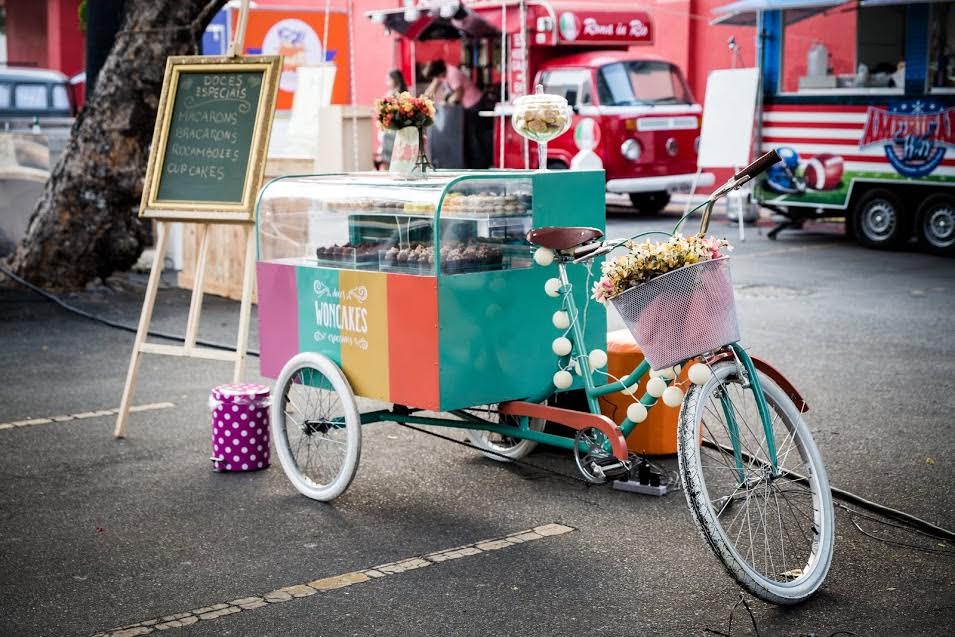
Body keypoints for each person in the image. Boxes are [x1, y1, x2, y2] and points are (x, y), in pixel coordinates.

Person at [423, 59, 491, 168]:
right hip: (466, 107)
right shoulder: (442, 74)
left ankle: (480, 164)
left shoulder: (452, 73)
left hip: (473, 105)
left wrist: (446, 101)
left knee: (474, 137)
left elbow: (458, 94)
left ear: (439, 72)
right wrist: (423, 101)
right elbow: (431, 89)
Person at [375, 69, 408, 170]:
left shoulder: (399, 94)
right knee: (389, 157)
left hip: (393, 129)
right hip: (390, 128)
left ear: (395, 80)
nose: (387, 82)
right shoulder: (393, 93)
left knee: (389, 157)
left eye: (388, 79)